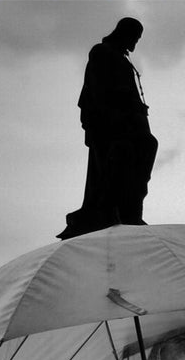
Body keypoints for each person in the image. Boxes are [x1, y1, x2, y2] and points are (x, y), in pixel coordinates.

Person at [59, 17, 159, 239]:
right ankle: (113, 205)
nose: (135, 43)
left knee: (148, 145)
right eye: (135, 37)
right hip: (109, 123)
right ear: (125, 33)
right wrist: (117, 114)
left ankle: (132, 206)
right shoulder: (102, 52)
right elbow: (97, 91)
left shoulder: (122, 57)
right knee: (125, 150)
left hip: (128, 121)